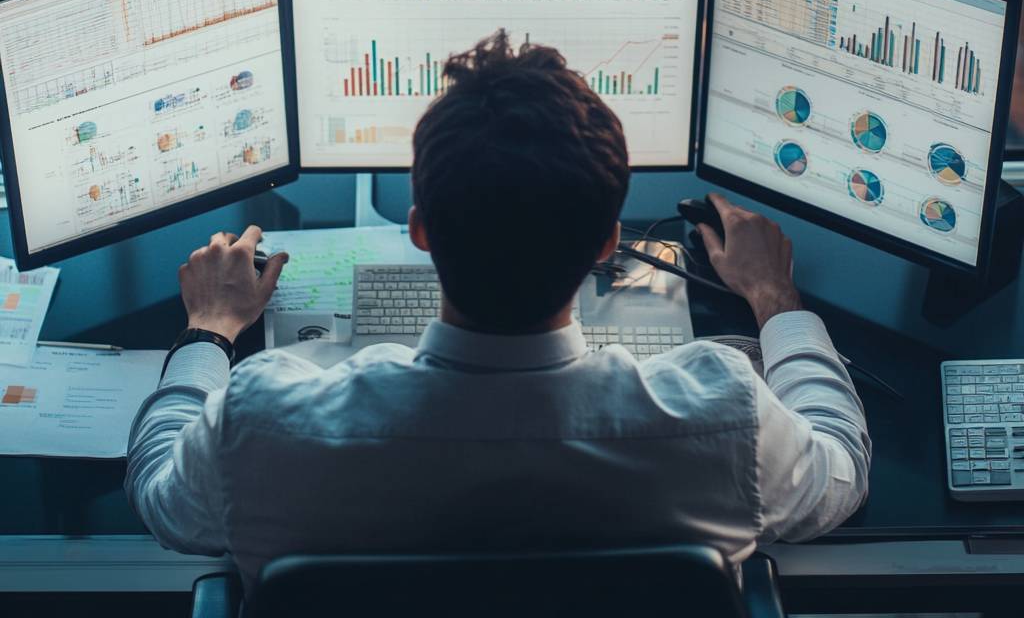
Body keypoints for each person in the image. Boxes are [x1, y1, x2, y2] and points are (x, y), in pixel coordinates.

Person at [126, 31, 870, 592]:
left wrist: (211, 330)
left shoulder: (265, 423)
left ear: (420, 229)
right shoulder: (721, 420)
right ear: (608, 241)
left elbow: (162, 497)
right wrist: (774, 300)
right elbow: (841, 469)